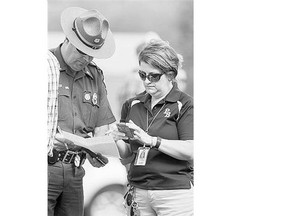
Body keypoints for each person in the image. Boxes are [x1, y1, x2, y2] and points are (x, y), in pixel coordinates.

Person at [112, 39, 194, 216]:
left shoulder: (185, 104)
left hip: (174, 194)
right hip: (139, 192)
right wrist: (116, 140)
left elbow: (190, 149)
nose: (147, 81)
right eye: (142, 75)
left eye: (154, 76)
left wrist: (152, 141)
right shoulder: (131, 104)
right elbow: (127, 155)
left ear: (171, 75)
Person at [48, 7, 116, 216]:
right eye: (82, 52)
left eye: (92, 55)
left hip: (76, 172)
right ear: (68, 39)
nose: (87, 60)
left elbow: (102, 126)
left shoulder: (95, 75)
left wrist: (99, 148)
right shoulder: (44, 66)